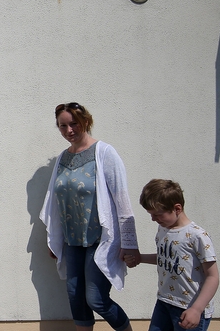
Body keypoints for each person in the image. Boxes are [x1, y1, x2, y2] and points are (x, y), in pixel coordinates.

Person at [40, 102, 140, 331]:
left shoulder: (104, 153)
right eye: (62, 126)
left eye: (73, 123)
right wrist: (53, 239)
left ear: (86, 121)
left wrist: (130, 243)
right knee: (75, 297)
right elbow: (55, 203)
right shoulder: (63, 159)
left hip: (100, 239)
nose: (69, 130)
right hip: (72, 241)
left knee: (96, 299)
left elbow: (122, 201)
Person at [126, 179, 219, 331]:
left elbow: (213, 276)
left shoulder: (197, 236)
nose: (153, 219)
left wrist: (197, 309)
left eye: (157, 214)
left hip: (189, 308)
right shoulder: (164, 229)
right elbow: (167, 258)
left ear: (177, 208)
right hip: (164, 302)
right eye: (150, 214)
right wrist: (140, 258)